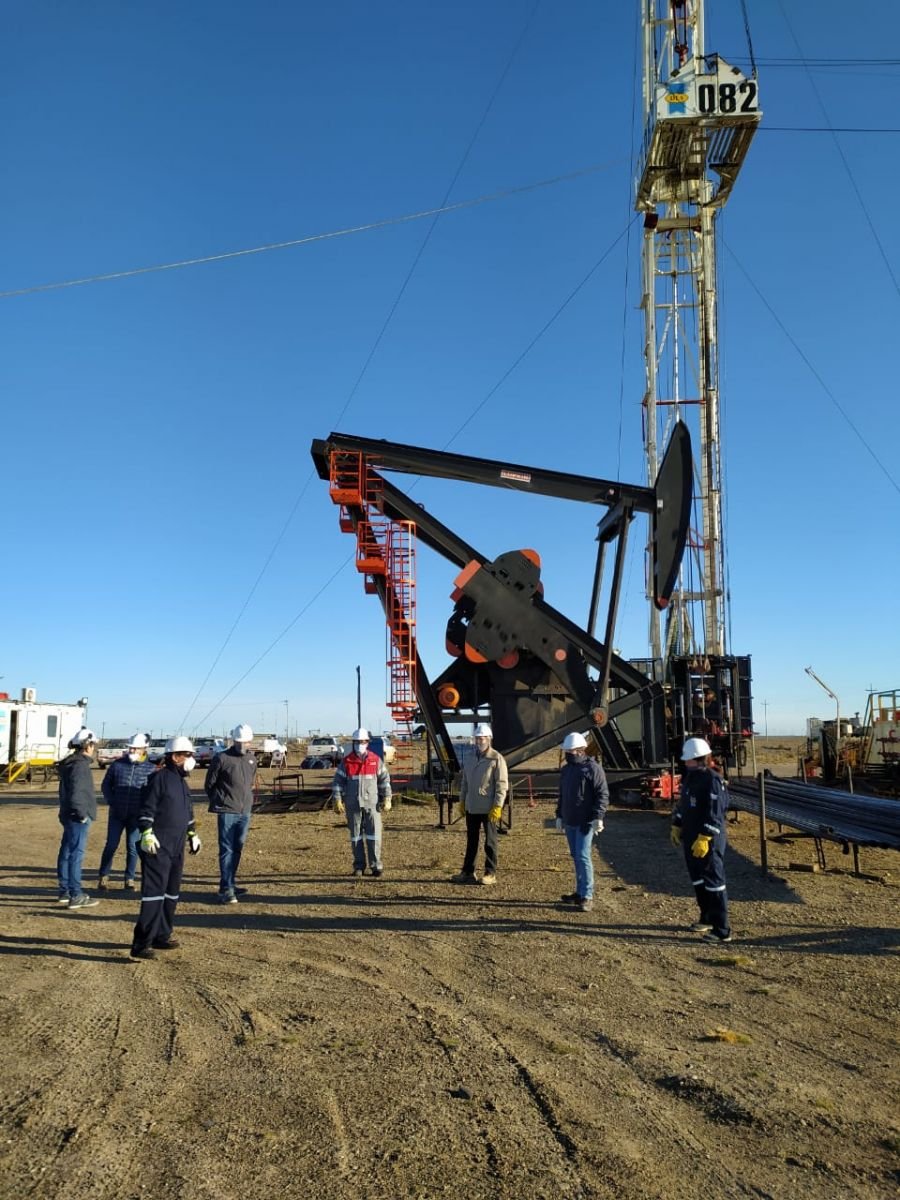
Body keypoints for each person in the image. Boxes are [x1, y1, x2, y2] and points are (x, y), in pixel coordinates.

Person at [130, 736, 201, 960]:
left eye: (191, 755)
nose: (191, 760)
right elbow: (146, 808)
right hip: (158, 845)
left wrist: (192, 833)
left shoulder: (182, 782)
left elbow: (186, 812)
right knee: (154, 895)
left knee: (171, 893)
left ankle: (163, 934)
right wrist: (146, 832)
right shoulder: (159, 779)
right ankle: (142, 943)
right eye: (187, 755)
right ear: (175, 756)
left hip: (177, 845)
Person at [670, 736, 733, 944]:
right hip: (691, 836)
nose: (685, 763)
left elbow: (717, 811)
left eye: (688, 760)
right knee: (698, 879)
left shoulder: (712, 780)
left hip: (708, 839)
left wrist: (706, 836)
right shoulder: (690, 778)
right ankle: (706, 917)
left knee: (714, 882)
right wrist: (677, 824)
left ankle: (722, 929)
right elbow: (684, 804)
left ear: (699, 759)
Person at [555, 731, 609, 913]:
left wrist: (598, 817)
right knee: (576, 856)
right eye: (567, 751)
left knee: (583, 856)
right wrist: (559, 815)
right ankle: (579, 892)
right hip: (570, 819)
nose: (568, 754)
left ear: (579, 750)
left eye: (570, 751)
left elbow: (602, 794)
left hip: (585, 821)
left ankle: (587, 895)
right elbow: (563, 794)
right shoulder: (567, 769)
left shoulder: (593, 769)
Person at [205, 724, 257, 904]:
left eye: (246, 742)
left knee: (237, 848)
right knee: (227, 849)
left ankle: (228, 884)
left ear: (251, 741)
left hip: (245, 811)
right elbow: (209, 784)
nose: (243, 745)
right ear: (234, 741)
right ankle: (227, 889)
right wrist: (220, 801)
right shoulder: (222, 758)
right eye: (240, 741)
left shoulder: (252, 759)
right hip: (227, 810)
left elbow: (250, 782)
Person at [452, 723, 508, 887]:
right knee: (472, 840)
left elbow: (501, 785)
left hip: (489, 808)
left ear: (489, 739)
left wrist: (497, 806)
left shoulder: (496, 758)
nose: (479, 741)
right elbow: (465, 783)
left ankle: (490, 873)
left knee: (490, 841)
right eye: (477, 738)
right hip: (472, 807)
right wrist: (462, 801)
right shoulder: (470, 758)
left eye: (482, 738)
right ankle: (468, 872)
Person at [97, 733, 155, 891]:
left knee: (133, 847)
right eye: (131, 748)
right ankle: (103, 876)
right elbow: (106, 785)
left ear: (144, 749)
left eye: (136, 748)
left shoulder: (150, 769)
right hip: (117, 813)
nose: (133, 750)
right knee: (111, 845)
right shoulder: (117, 765)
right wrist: (112, 801)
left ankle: (129, 879)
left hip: (136, 816)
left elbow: (152, 794)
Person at [331, 727, 392, 878]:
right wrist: (337, 799)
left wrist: (388, 798)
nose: (360, 744)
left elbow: (384, 780)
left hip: (372, 804)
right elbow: (338, 782)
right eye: (357, 742)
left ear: (367, 742)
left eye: (363, 741)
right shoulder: (347, 762)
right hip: (353, 804)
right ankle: (359, 866)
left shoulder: (375, 760)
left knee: (374, 835)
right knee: (356, 836)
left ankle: (376, 866)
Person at [56, 728, 100, 909]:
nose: (94, 748)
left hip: (68, 814)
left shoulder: (71, 764)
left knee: (66, 852)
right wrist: (82, 814)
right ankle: (76, 894)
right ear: (87, 745)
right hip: (77, 816)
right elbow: (77, 793)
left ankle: (65, 891)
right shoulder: (80, 766)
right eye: (93, 745)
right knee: (75, 854)